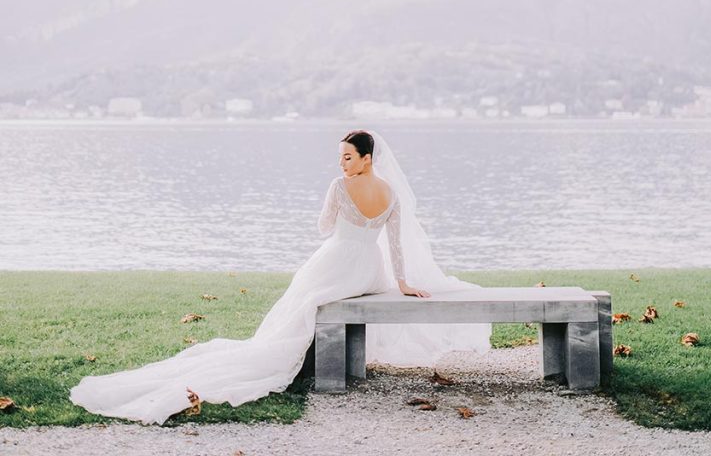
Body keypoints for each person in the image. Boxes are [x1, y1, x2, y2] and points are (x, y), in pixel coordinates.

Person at [69, 128, 491, 424]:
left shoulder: (339, 187)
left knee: (300, 300)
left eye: (348, 157)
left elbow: (324, 229)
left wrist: (337, 211)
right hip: (370, 269)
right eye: (339, 158)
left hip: (336, 261)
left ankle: (282, 355)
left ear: (366, 158)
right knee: (307, 302)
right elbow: (395, 246)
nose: (342, 163)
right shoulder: (392, 194)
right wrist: (401, 283)